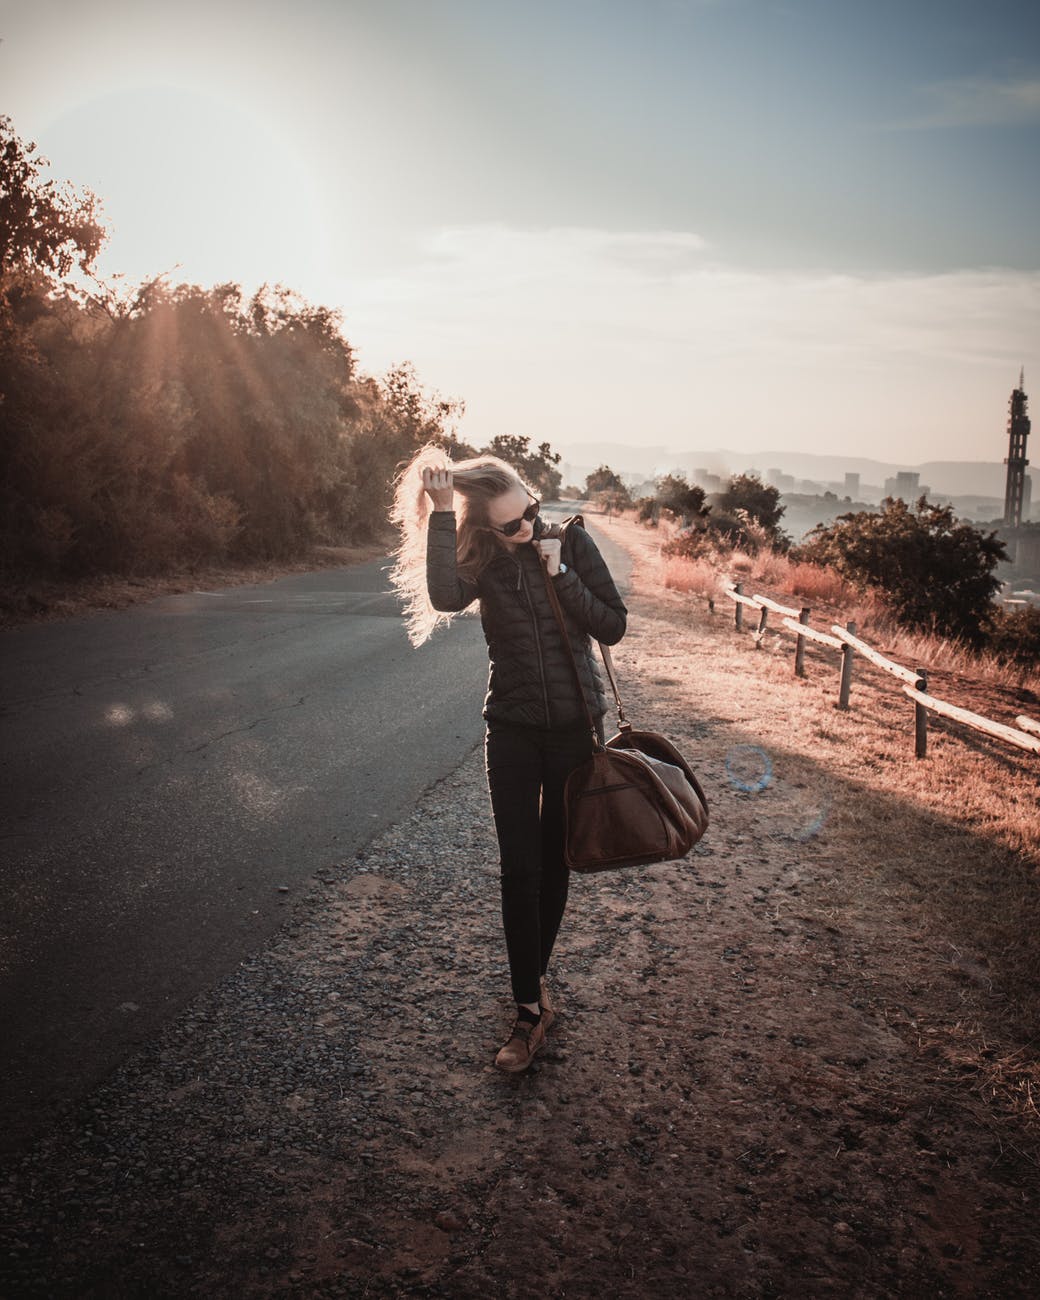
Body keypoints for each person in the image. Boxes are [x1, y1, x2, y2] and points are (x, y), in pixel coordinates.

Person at [389, 447, 627, 1072]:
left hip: (576, 730)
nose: (528, 528)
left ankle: (534, 984)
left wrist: (560, 574)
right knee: (519, 870)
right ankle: (528, 1008)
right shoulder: (485, 561)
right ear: (488, 529)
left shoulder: (570, 543)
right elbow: (443, 597)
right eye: (514, 525)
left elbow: (613, 626)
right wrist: (443, 512)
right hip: (513, 731)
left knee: (556, 862)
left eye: (531, 513)